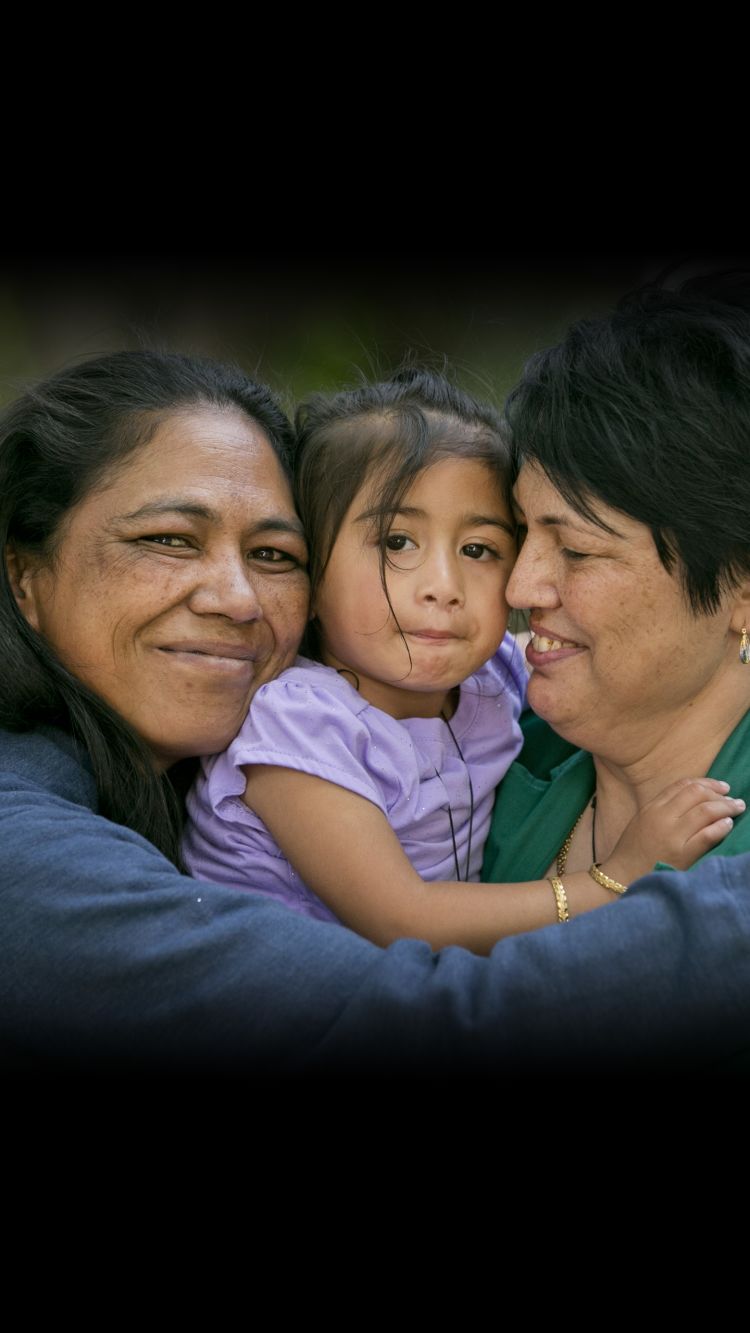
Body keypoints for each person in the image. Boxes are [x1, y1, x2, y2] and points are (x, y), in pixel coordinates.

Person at [1, 345, 749, 1077]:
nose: (237, 598)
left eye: (273, 555)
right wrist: (638, 885)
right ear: (23, 571)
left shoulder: (485, 692)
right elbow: (422, 1020)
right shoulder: (26, 843)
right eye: (167, 540)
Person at [183, 370, 740, 952]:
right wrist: (615, 877)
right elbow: (405, 920)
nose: (444, 587)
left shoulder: (492, 677)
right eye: (397, 543)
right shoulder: (301, 727)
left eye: (478, 549)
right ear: (312, 577)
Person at [483, 272, 750, 912]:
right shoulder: (488, 743)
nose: (519, 586)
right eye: (519, 531)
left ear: (741, 588)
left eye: (577, 550)